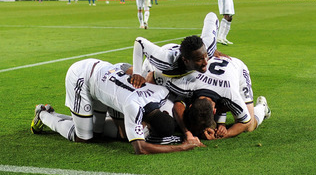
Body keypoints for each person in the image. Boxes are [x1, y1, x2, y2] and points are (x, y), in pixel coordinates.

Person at [30, 58, 204, 154]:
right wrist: (182, 146)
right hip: (82, 76)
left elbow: (124, 67)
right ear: (148, 124)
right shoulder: (133, 106)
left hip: (103, 77)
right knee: (83, 137)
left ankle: (77, 119)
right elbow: (141, 149)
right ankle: (44, 115)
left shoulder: (159, 92)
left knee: (97, 134)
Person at [162, 53, 271, 140]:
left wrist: (225, 134)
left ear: (215, 111)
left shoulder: (231, 95)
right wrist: (187, 132)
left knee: (250, 126)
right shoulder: (191, 84)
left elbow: (245, 122)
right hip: (214, 77)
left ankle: (262, 107)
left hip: (238, 70)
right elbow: (178, 106)